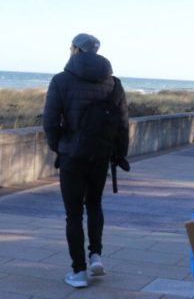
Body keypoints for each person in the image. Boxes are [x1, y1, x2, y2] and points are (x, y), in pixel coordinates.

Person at [43, 33, 129, 288]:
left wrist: (59, 146)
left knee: (73, 214)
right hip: (100, 155)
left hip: (72, 156)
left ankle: (78, 272)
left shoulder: (61, 80)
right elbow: (123, 123)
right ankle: (96, 255)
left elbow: (50, 121)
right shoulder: (114, 83)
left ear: (76, 50)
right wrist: (119, 153)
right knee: (94, 205)